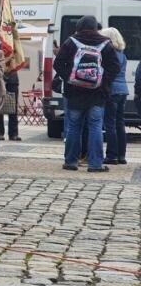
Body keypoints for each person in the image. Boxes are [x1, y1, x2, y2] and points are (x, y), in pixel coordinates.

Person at [52, 16, 119, 173]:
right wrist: (102, 81)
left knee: (74, 127)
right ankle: (95, 164)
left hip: (74, 93)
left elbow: (58, 63)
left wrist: (70, 78)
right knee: (95, 126)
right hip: (97, 94)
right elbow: (114, 67)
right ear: (96, 27)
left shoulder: (71, 41)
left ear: (79, 26)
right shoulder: (105, 43)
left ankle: (71, 162)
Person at [100, 27, 128, 165]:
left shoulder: (110, 54)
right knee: (120, 123)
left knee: (109, 124)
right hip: (123, 90)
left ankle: (111, 155)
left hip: (113, 90)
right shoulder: (122, 54)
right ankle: (121, 155)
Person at [0, 52, 21, 141]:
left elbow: (19, 60)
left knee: (13, 107)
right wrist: (8, 57)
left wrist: (12, 57)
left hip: (12, 77)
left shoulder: (13, 44)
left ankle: (13, 133)